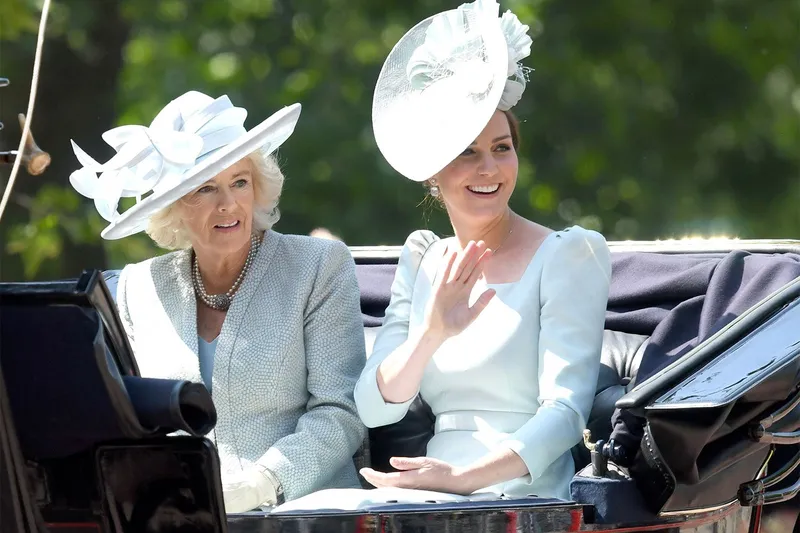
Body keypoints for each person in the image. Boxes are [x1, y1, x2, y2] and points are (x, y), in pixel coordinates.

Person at [355, 0, 612, 501]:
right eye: (467, 152)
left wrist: (465, 480)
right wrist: (430, 333)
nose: (490, 169)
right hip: (428, 492)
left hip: (527, 495)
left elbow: (565, 413)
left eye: (501, 147)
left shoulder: (570, 254)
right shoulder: (422, 257)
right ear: (434, 170)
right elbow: (373, 406)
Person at [68, 91, 367, 511]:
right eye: (205, 188)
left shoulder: (317, 266)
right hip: (180, 516)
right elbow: (130, 423)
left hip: (302, 513)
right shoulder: (138, 288)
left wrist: (262, 485)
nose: (228, 204)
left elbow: (341, 410)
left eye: (239, 182)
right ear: (172, 206)